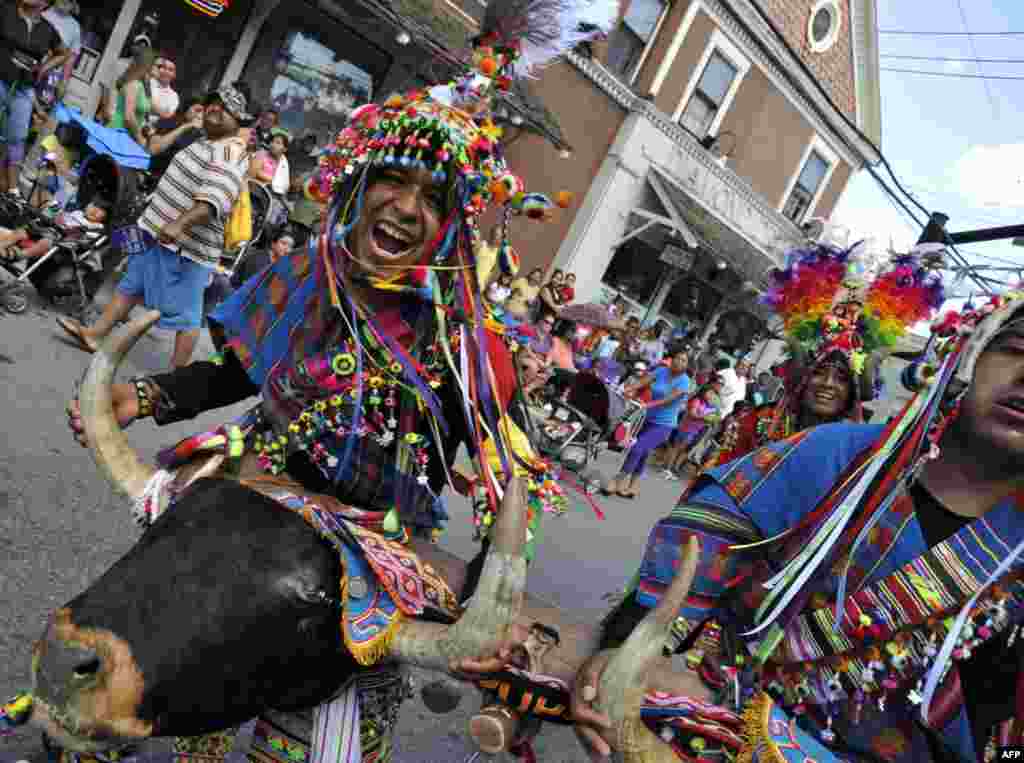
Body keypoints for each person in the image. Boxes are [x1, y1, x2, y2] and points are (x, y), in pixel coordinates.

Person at [571, 269, 1024, 763]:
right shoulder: (831, 455)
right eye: (1017, 350)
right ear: (967, 355)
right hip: (724, 725)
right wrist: (625, 655)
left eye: (839, 379)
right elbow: (692, 559)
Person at [57, 85, 253, 370]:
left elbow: (215, 200)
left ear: (238, 120)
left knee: (187, 314)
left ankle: (177, 377)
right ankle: (95, 335)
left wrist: (179, 224)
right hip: (155, 233)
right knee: (132, 282)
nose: (215, 108)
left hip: (187, 247)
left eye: (225, 107)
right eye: (212, 102)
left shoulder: (229, 151)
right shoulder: (204, 140)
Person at [604, 345, 690, 498]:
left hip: (664, 425)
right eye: (678, 358)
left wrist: (647, 404)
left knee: (637, 448)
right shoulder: (662, 371)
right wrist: (628, 389)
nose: (680, 362)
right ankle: (633, 486)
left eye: (684, 360)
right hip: (647, 418)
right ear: (672, 359)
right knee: (643, 452)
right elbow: (643, 381)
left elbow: (667, 400)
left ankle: (618, 480)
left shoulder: (684, 381)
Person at [0, 0, 65, 194]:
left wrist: (43, 68)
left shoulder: (47, 29)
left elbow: (63, 53)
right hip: (1, 77)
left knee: (17, 137)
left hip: (24, 86)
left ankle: (13, 191)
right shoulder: (5, 10)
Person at [0, 199, 106, 262]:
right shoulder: (77, 213)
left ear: (105, 217)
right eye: (94, 205)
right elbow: (59, 216)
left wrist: (79, 233)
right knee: (22, 232)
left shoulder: (96, 226)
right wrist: (54, 211)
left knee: (45, 243)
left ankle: (19, 256)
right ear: (87, 205)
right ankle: (2, 245)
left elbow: (86, 240)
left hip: (59, 237)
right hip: (48, 227)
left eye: (101, 210)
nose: (95, 210)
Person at [659, 379, 720, 480]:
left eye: (712, 394)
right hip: (686, 428)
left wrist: (710, 419)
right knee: (676, 448)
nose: (711, 396)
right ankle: (666, 468)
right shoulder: (697, 401)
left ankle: (669, 469)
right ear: (704, 392)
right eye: (709, 393)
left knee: (681, 448)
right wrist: (704, 417)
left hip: (693, 430)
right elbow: (693, 414)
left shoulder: (706, 404)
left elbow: (710, 415)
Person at [146, 97, 205, 180]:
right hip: (148, 170)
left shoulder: (199, 138)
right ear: (187, 108)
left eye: (203, 112)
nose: (199, 114)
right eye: (197, 110)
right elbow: (153, 149)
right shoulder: (171, 121)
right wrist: (187, 125)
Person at [37, 0, 80, 112]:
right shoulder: (41, 11)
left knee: (41, 109)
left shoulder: (75, 26)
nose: (66, 2)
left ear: (73, 4)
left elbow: (71, 57)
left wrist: (64, 81)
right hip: (33, 66)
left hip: (53, 75)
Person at [107, 46, 155, 145]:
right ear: (147, 65)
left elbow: (148, 108)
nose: (158, 69)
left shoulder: (143, 84)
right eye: (156, 65)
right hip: (117, 132)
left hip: (127, 135)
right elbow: (128, 116)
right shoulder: (133, 84)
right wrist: (140, 138)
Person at [249, 127, 290, 227]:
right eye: (273, 141)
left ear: (284, 149)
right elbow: (252, 173)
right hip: (254, 195)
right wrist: (273, 180)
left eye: (278, 143)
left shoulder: (283, 164)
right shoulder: (261, 154)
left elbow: (283, 188)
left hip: (269, 202)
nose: (273, 144)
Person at [229, 226, 293, 289]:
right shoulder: (257, 259)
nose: (287, 249)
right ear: (273, 244)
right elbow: (247, 286)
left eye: (290, 246)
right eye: (283, 243)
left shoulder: (281, 264)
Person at [149, 53, 179, 120]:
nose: (166, 72)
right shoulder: (148, 82)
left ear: (174, 75)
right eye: (164, 68)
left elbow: (167, 116)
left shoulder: (174, 96)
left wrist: (149, 104)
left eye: (170, 70)